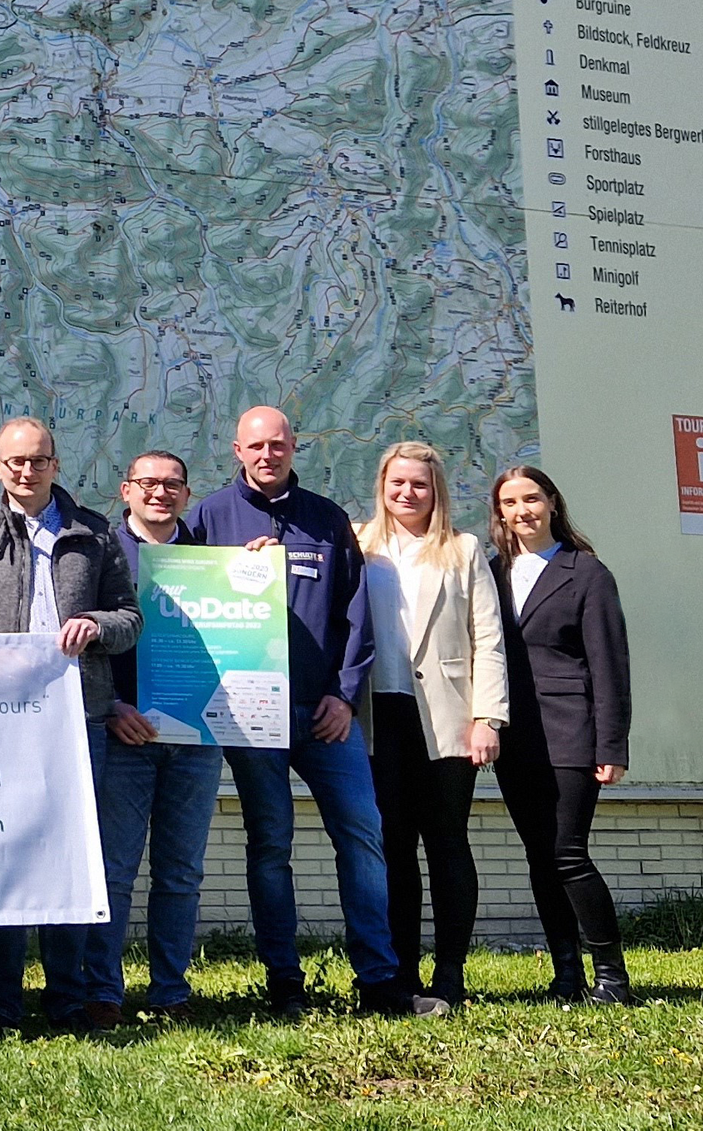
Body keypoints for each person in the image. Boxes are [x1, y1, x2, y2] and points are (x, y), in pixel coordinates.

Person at [184, 407, 444, 1018]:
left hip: (325, 715)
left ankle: (379, 981)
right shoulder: (209, 518)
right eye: (256, 446)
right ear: (237, 451)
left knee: (363, 836)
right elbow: (185, 604)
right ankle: (284, 983)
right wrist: (235, 574)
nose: (267, 455)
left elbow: (356, 616)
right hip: (249, 717)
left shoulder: (326, 520)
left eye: (278, 444)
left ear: (293, 447)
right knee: (270, 845)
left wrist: (344, 695)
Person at [0, 418, 139, 1035]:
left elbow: (130, 618)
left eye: (39, 460)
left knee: (74, 858)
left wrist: (97, 626)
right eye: (16, 462)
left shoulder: (95, 535)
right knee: (7, 857)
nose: (27, 471)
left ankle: (67, 1000)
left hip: (83, 721)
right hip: (5, 724)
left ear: (55, 464)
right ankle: (1, 1001)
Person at [357, 442, 509, 1007]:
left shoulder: (463, 549)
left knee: (445, 842)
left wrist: (488, 717)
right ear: (383, 485)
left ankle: (450, 972)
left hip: (448, 717)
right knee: (392, 847)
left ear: (435, 489)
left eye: (419, 484)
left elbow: (488, 639)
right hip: (380, 716)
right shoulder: (361, 544)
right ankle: (400, 972)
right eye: (397, 483)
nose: (407, 493)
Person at [489, 465, 634, 1006]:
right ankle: (566, 976)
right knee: (539, 857)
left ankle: (612, 979)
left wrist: (611, 746)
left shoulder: (587, 573)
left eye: (532, 498)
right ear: (499, 512)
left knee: (569, 854)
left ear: (551, 502)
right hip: (517, 739)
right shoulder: (493, 572)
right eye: (510, 502)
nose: (522, 510)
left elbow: (610, 665)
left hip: (573, 734)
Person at [94, 450, 221, 1022]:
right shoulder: (99, 554)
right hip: (125, 733)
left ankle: (170, 992)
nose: (159, 493)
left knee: (180, 871)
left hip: (198, 738)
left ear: (186, 495)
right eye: (147, 483)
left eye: (173, 484)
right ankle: (104, 992)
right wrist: (112, 705)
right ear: (126, 490)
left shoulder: (214, 564)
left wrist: (256, 574)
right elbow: (87, 639)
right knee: (115, 870)